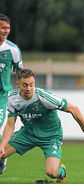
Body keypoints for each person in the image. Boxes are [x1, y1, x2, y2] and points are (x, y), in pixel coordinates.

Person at [0, 69, 84, 183]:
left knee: (51, 173)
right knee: (0, 152)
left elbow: (73, 109)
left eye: (31, 85)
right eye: (25, 85)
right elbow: (10, 125)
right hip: (28, 133)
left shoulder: (43, 97)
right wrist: (2, 145)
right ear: (18, 85)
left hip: (50, 137)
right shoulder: (12, 99)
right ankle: (3, 160)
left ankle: (62, 171)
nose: (29, 88)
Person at [0, 14, 23, 174]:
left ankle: (2, 156)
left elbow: (21, 73)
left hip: (2, 96)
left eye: (7, 28)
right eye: (2, 27)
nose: (6, 31)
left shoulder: (12, 49)